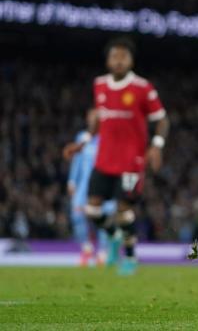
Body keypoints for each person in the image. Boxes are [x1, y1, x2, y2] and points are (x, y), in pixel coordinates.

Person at [66, 37, 169, 276]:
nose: (119, 60)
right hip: (104, 159)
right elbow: (99, 120)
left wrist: (157, 145)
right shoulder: (99, 84)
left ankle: (130, 258)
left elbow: (162, 119)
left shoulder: (143, 87)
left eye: (124, 56)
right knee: (91, 210)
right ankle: (114, 238)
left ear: (131, 60)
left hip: (131, 163)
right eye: (115, 56)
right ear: (108, 60)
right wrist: (83, 142)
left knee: (123, 210)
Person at [62, 108, 114, 266]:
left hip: (103, 184)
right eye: (91, 118)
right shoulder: (83, 137)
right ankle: (87, 249)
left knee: (101, 218)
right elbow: (77, 160)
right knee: (77, 215)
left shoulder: (107, 138)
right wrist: (72, 180)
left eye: (96, 118)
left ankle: (104, 252)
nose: (93, 120)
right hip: (84, 185)